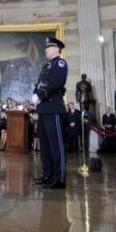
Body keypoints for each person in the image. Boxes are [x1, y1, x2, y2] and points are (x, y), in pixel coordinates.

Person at [31, 37, 68, 189]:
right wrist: (35, 94)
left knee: (56, 145)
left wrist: (39, 95)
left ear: (56, 49)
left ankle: (59, 179)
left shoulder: (60, 63)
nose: (45, 49)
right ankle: (48, 175)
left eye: (48, 47)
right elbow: (39, 83)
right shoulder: (46, 66)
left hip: (53, 109)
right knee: (45, 145)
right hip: (43, 109)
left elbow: (55, 83)